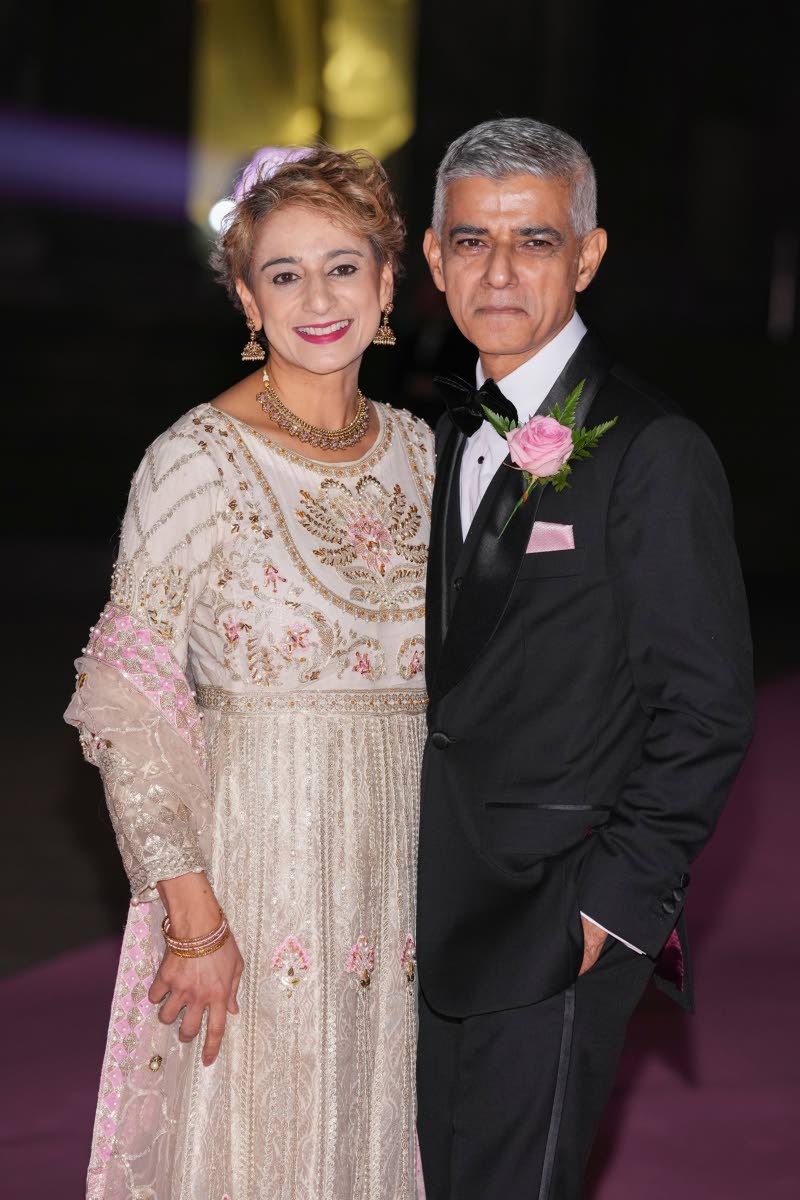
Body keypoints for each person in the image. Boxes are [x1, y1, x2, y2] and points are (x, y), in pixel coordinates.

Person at [65, 144, 434, 1200]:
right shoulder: (192, 460)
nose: (317, 298)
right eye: (283, 273)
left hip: (398, 886)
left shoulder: (421, 453)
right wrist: (194, 923)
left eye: (341, 266)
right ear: (244, 294)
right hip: (253, 882)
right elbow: (127, 706)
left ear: (386, 282)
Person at [415, 117, 754, 1199]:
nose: (499, 271)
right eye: (470, 242)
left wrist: (607, 910)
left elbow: (702, 709)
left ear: (588, 255)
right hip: (412, 907)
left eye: (536, 241)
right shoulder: (422, 433)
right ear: (432, 258)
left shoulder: (653, 451)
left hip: (549, 920)